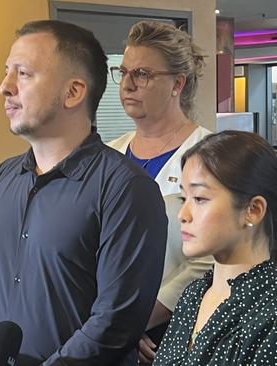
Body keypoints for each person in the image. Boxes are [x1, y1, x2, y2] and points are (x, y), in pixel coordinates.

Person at [0, 20, 167, 366]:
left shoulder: (126, 190)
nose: (4, 87)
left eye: (23, 74)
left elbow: (116, 320)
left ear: (73, 92)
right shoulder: (0, 180)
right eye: (7, 72)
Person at [153, 131, 277, 365]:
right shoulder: (193, 295)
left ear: (253, 210)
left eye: (200, 199)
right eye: (185, 199)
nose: (183, 215)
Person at [107, 21, 213, 363]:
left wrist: (140, 319)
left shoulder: (212, 153)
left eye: (142, 74)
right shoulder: (109, 155)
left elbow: (213, 259)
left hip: (176, 331)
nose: (127, 84)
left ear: (177, 84)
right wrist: (112, 324)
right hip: (106, 329)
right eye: (122, 72)